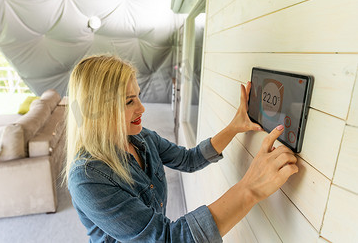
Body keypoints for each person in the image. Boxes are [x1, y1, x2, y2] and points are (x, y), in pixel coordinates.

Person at [64, 55, 298, 243]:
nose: (142, 108)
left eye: (139, 97)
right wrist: (251, 188)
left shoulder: (143, 139)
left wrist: (234, 127)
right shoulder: (87, 177)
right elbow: (167, 238)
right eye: (129, 101)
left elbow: (189, 159)